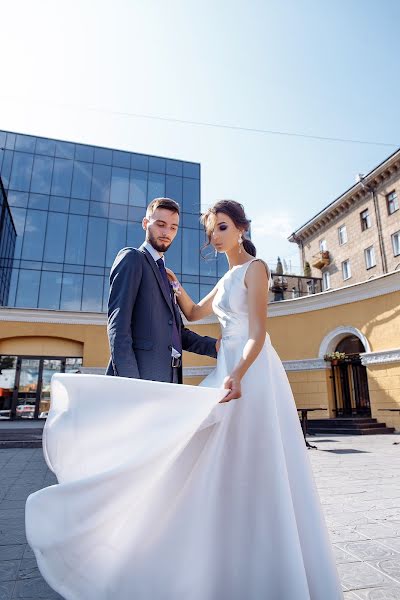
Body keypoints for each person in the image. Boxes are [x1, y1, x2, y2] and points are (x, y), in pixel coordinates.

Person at [25, 200, 343, 599]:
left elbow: (257, 334)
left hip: (249, 371)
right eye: (211, 229)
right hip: (222, 368)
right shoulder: (202, 274)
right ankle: (180, 542)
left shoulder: (256, 269)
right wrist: (175, 288)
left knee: (246, 456)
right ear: (147, 224)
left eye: (222, 227)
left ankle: (248, 546)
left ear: (242, 228)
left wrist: (236, 369)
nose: (214, 235)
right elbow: (190, 315)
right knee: (197, 454)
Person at [106, 196, 218, 384]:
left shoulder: (166, 276)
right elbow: (118, 326)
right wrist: (130, 383)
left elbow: (177, 333)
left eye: (173, 227)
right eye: (160, 224)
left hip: (171, 377)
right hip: (140, 379)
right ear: (145, 223)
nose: (167, 232)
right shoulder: (132, 258)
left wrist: (215, 347)